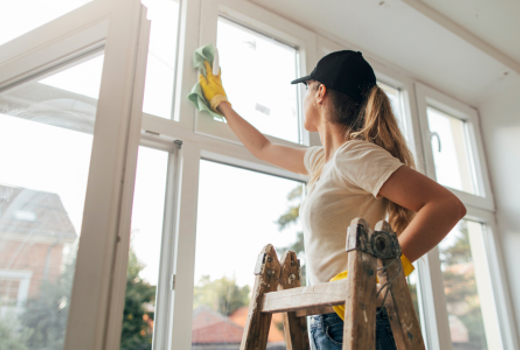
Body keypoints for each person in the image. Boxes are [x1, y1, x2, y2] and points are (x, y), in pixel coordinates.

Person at [198, 50, 466, 350]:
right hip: (329, 320)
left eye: (306, 89)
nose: (302, 100)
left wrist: (377, 271)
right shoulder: (322, 162)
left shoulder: (354, 155)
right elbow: (263, 147)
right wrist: (221, 103)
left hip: (359, 318)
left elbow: (447, 206)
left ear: (320, 92)